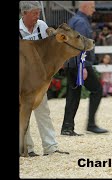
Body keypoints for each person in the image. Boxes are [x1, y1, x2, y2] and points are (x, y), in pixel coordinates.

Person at [19, 1, 69, 156]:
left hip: (40, 77)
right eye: (34, 13)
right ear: (24, 14)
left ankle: (51, 147)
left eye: (39, 13)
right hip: (22, 78)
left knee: (43, 111)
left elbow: (52, 44)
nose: (37, 16)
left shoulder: (41, 25)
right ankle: (28, 149)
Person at [61, 1, 108, 136]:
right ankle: (91, 124)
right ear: (85, 6)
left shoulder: (73, 20)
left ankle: (67, 127)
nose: (94, 10)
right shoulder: (81, 22)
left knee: (73, 95)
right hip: (80, 64)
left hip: (71, 63)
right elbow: (80, 46)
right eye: (92, 7)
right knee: (97, 90)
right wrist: (82, 67)